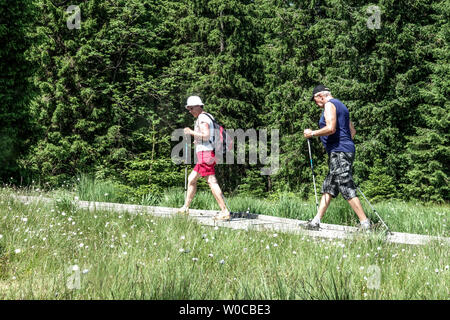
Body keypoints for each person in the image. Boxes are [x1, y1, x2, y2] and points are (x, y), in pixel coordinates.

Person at [303, 85, 371, 230]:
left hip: (339, 151)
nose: (316, 104)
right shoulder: (342, 106)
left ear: (321, 96)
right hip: (344, 150)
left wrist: (312, 133)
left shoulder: (329, 105)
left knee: (345, 186)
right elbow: (353, 131)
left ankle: (365, 224)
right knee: (329, 187)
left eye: (315, 100)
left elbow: (331, 128)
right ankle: (316, 221)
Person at [177, 96, 231, 221]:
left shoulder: (202, 118)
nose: (190, 111)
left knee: (211, 181)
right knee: (191, 179)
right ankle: (186, 207)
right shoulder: (208, 116)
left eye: (191, 108)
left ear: (198, 106)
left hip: (205, 154)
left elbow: (206, 136)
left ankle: (224, 211)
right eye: (188, 109)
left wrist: (191, 132)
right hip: (207, 153)